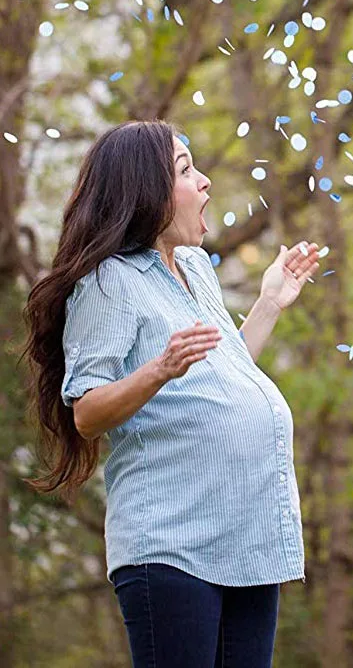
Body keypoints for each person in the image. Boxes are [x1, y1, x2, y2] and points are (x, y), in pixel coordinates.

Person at [23, 120, 320, 668]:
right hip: (172, 545)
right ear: (148, 193)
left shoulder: (194, 269)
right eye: (186, 170)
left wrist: (270, 304)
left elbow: (220, 374)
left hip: (246, 542)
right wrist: (156, 371)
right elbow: (86, 412)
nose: (204, 182)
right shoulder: (108, 282)